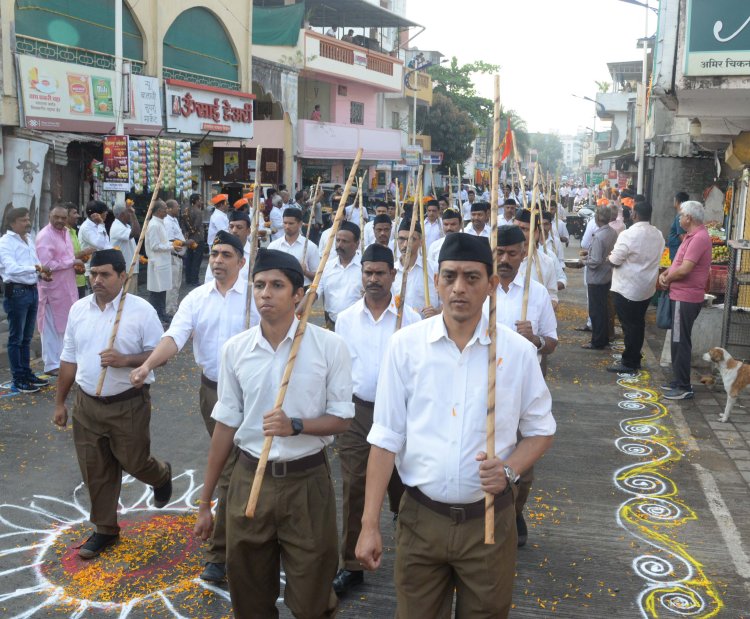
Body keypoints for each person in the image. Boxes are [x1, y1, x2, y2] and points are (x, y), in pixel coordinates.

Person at [356, 233, 555, 617]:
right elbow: (385, 439)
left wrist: (510, 469)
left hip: (489, 524)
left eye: (472, 278)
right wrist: (369, 524)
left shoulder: (516, 352)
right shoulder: (405, 346)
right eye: (449, 277)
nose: (459, 288)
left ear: (492, 286)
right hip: (419, 519)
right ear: (437, 282)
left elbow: (541, 430)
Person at [193, 248, 353, 618]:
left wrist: (296, 425)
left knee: (313, 590)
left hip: (307, 481)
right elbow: (225, 425)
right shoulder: (235, 350)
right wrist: (205, 502)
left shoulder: (330, 346)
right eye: (260, 285)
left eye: (277, 285)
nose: (266, 293)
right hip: (249, 478)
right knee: (248, 589)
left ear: (298, 295)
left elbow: (343, 419)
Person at [131, 231, 255, 583]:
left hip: (255, 394)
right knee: (231, 465)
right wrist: (147, 365)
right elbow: (175, 337)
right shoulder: (196, 298)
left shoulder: (255, 296)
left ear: (241, 262)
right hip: (214, 394)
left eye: (226, 254)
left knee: (239, 466)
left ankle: (228, 545)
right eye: (214, 253)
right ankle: (225, 545)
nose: (217, 260)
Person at [53, 249, 172, 559]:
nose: (96, 280)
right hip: (87, 405)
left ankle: (160, 475)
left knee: (135, 462)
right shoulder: (79, 309)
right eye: (93, 274)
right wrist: (60, 402)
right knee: (96, 469)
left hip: (128, 404)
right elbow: (69, 359)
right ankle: (105, 529)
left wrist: (126, 361)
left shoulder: (141, 310)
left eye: (105, 274)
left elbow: (162, 354)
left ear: (123, 276)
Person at [332, 244, 420, 596]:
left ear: (393, 276)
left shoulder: (411, 319)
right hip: (358, 412)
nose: (373, 279)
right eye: (367, 272)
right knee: (354, 485)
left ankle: (415, 556)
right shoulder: (345, 318)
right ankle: (351, 565)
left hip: (402, 413)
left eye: (380, 273)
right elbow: (339, 371)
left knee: (405, 486)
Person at [490, 224, 557, 547]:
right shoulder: (481, 288)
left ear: (523, 254)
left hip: (523, 388)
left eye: (511, 254)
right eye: (499, 253)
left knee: (523, 468)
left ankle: (514, 510)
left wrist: (536, 338)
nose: (504, 259)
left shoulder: (537, 292)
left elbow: (552, 342)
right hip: (484, 385)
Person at [659, 200, 712, 399]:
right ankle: (678, 380)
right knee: (676, 340)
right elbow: (677, 264)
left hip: (686, 297)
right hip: (679, 294)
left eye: (681, 215)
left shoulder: (699, 238)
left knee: (681, 341)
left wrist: (668, 277)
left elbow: (685, 269)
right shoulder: (691, 237)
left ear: (689, 217)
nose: (679, 218)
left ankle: (683, 386)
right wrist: (665, 276)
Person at [607, 200, 665, 374]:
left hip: (627, 288)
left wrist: (609, 258)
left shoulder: (628, 234)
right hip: (646, 287)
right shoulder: (658, 234)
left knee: (630, 326)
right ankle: (634, 357)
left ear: (634, 215)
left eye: (631, 212)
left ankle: (630, 361)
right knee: (637, 324)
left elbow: (616, 259)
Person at [0, 207, 51, 392]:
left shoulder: (28, 239)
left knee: (27, 337)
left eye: (28, 219)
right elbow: (11, 269)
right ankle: (18, 378)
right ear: (12, 223)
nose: (28, 222)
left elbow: (34, 263)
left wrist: (41, 275)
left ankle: (26, 372)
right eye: (23, 220)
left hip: (31, 290)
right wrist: (37, 269)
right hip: (17, 292)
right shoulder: (5, 242)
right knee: (16, 337)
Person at [35, 205, 83, 376]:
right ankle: (51, 364)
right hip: (51, 290)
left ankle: (63, 361)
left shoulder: (66, 233)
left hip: (67, 287)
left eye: (63, 218)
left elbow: (66, 258)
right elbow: (45, 265)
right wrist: (71, 262)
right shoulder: (45, 236)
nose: (60, 221)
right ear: (50, 216)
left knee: (65, 327)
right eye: (57, 217)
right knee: (50, 328)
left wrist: (75, 266)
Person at [581, 206, 618, 350]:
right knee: (602, 309)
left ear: (597, 218)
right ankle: (603, 338)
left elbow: (595, 261)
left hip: (596, 278)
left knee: (596, 311)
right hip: (606, 275)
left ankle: (597, 340)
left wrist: (583, 262)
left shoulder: (599, 236)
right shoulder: (612, 233)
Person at [315, 221, 363, 330]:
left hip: (357, 326)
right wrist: (299, 311)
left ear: (356, 244)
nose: (339, 245)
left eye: (345, 241)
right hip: (332, 324)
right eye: (338, 240)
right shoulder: (327, 266)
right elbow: (315, 290)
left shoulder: (365, 268)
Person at [393, 217, 440, 317]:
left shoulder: (433, 269)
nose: (405, 245)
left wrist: (437, 312)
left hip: (426, 328)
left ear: (421, 242)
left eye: (411, 239)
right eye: (401, 239)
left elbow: (447, 302)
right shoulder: (391, 271)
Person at [514, 209, 559, 306]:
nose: (517, 233)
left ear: (536, 233)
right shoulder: (500, 260)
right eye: (515, 228)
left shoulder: (547, 262)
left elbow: (552, 296)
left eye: (524, 229)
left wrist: (543, 310)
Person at [268, 207, 320, 287]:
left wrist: (305, 272)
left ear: (300, 224)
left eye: (291, 223)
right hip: (278, 292)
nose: (287, 226)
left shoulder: (310, 247)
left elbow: (318, 277)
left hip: (302, 291)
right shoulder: (273, 246)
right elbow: (267, 272)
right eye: (285, 223)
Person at [145, 200, 173, 323]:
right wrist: (171, 247)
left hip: (163, 262)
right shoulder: (154, 225)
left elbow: (163, 242)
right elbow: (155, 246)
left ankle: (162, 313)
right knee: (156, 291)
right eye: (165, 208)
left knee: (162, 290)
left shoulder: (160, 223)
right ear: (158, 211)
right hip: (157, 263)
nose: (167, 210)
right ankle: (155, 316)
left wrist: (172, 244)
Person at [109, 202, 141, 294]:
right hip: (125, 269)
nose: (130, 214)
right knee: (126, 297)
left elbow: (138, 233)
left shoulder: (126, 225)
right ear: (123, 214)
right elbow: (134, 233)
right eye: (128, 212)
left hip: (130, 268)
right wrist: (133, 215)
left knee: (131, 297)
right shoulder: (116, 226)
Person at [78, 200, 111, 282]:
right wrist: (100, 224)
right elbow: (99, 245)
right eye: (104, 212)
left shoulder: (99, 225)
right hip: (92, 271)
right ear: (96, 214)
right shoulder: (86, 227)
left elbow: (106, 244)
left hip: (103, 266)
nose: (106, 214)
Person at [164, 200, 186, 316]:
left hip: (178, 256)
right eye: (177, 207)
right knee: (172, 285)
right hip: (172, 256)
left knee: (177, 285)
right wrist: (186, 243)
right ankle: (170, 311)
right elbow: (170, 241)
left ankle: (174, 308)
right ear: (169, 209)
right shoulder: (167, 221)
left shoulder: (175, 220)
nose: (179, 209)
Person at [65, 204, 88, 298]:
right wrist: (84, 253)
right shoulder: (64, 234)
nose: (78, 216)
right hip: (69, 282)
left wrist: (84, 258)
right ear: (66, 216)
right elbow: (64, 259)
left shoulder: (73, 232)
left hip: (80, 279)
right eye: (74, 213)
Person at [182, 193, 205, 286]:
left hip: (189, 238)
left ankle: (188, 278)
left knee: (189, 259)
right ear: (196, 201)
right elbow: (196, 226)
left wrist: (187, 234)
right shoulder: (198, 211)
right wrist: (191, 232)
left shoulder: (186, 210)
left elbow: (183, 224)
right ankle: (194, 280)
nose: (201, 201)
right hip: (198, 239)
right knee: (197, 260)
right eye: (200, 200)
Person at [667, 191, 690, 261]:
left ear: (678, 202)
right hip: (676, 247)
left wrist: (685, 251)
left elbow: (682, 235)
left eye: (674, 200)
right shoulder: (684, 214)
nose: (674, 202)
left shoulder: (680, 216)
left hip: (677, 249)